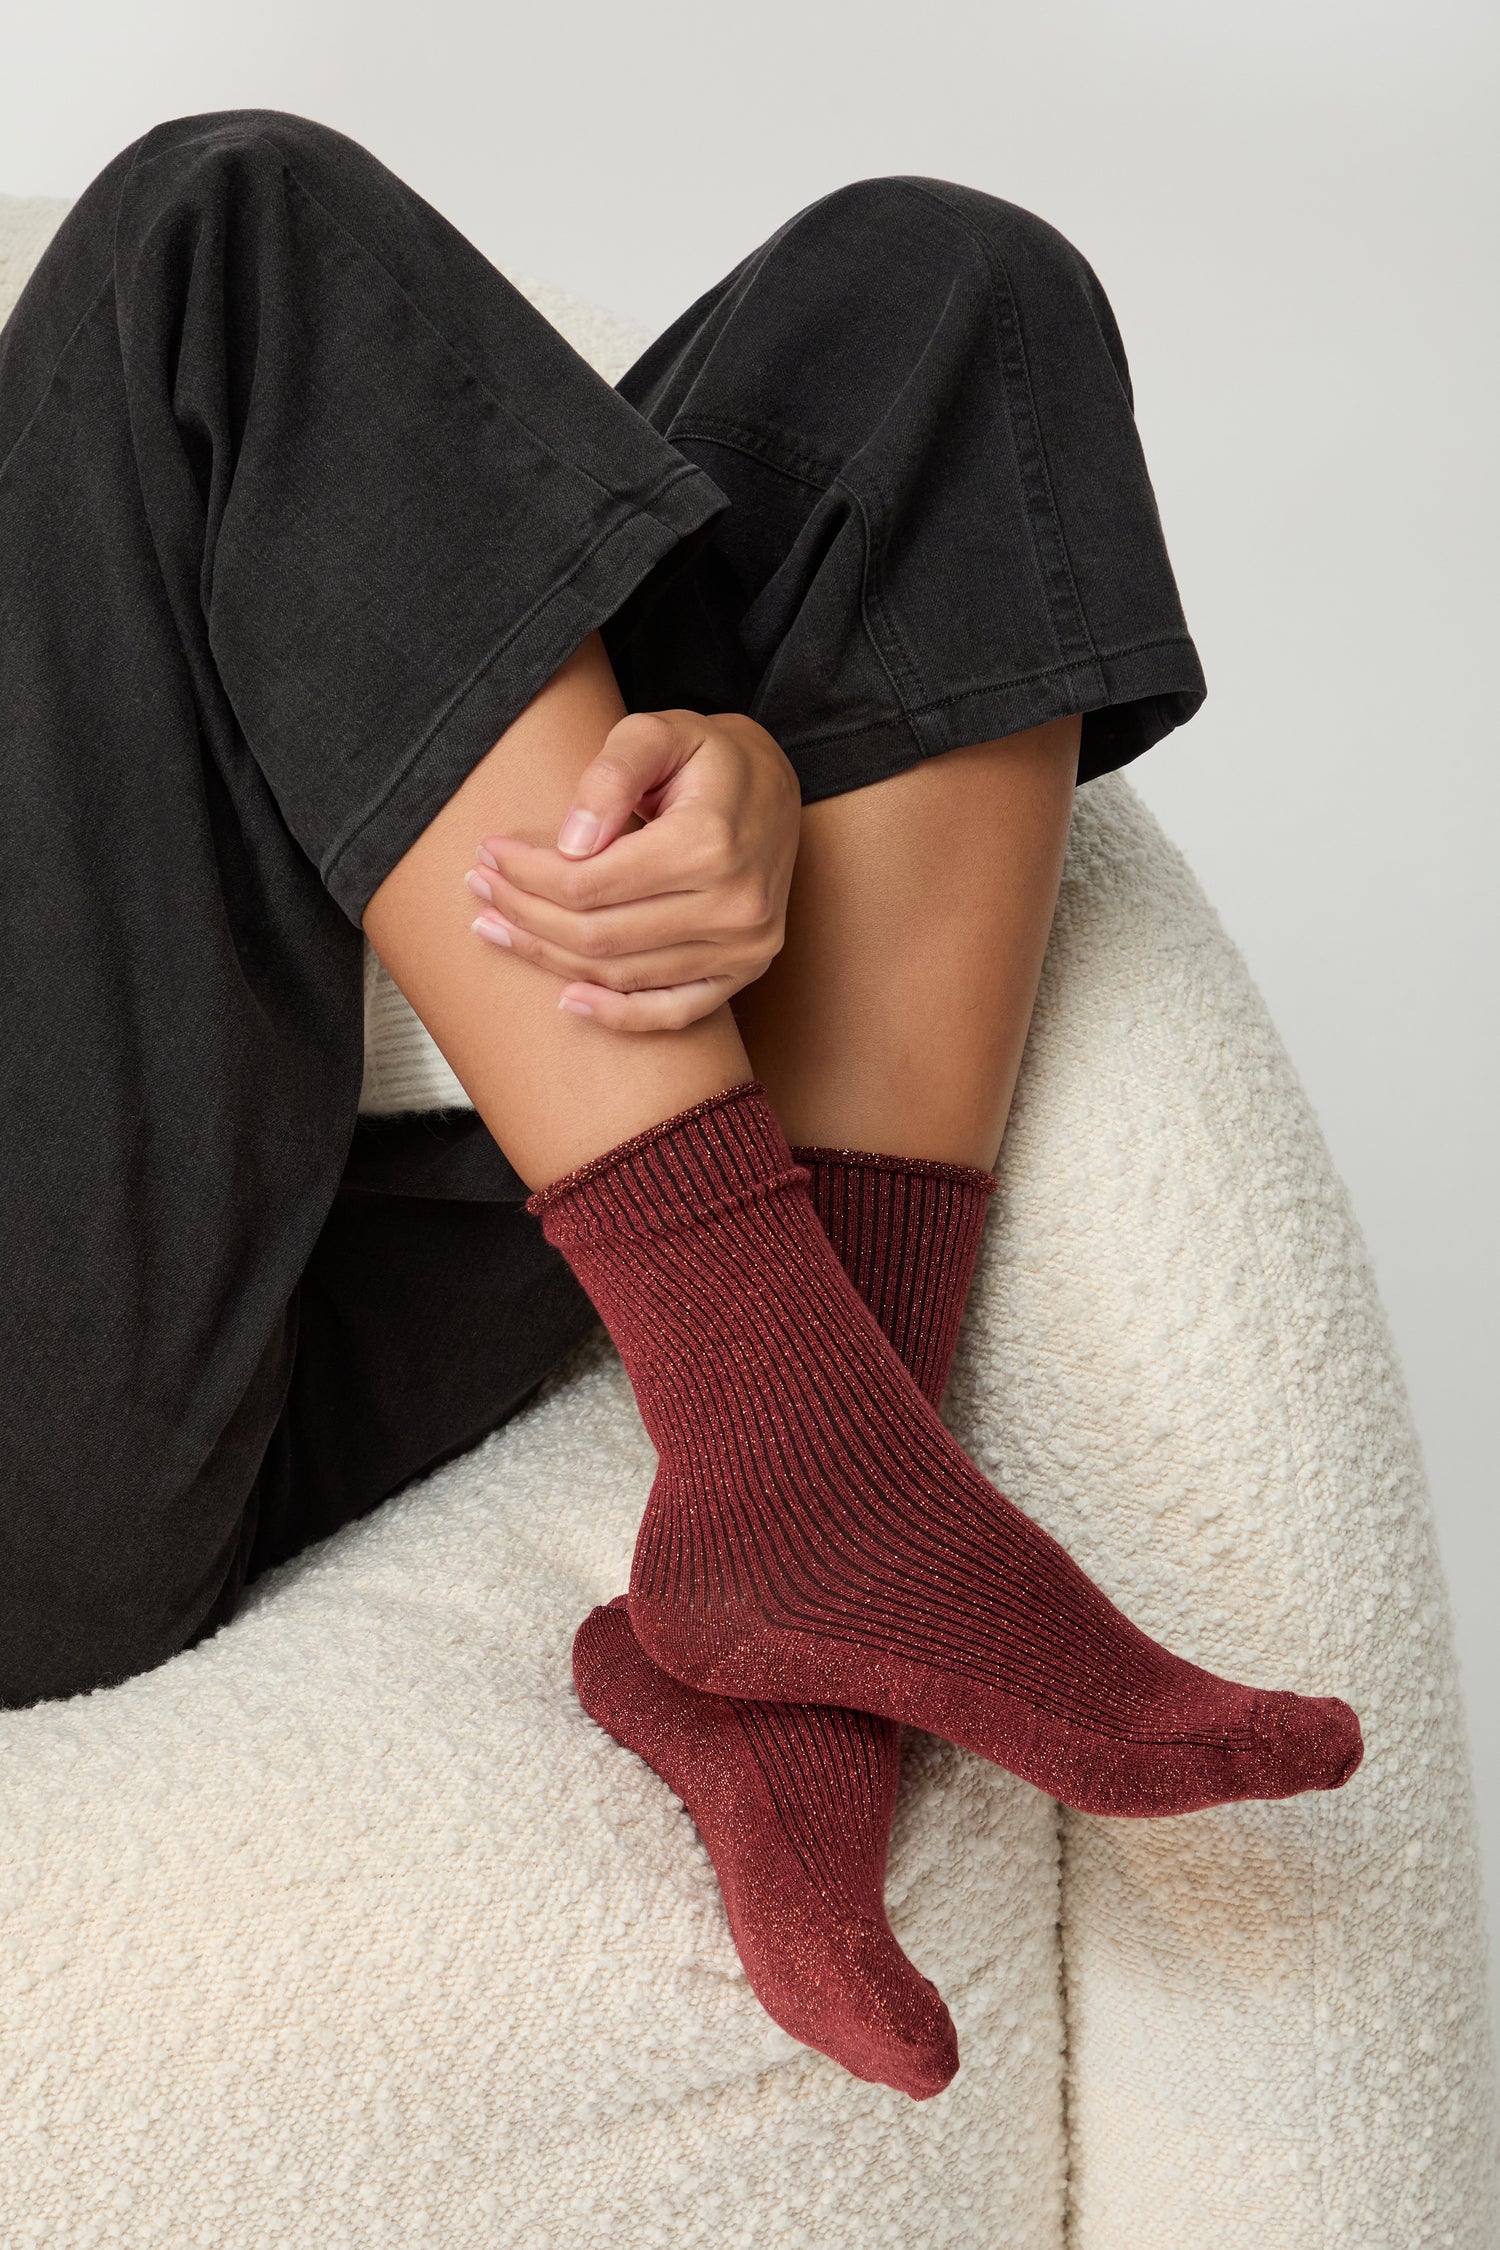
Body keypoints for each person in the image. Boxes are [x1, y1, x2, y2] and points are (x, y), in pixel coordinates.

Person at [0, 111, 1361, 2101]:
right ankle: (808, 1474)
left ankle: (792, 1593)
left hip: (286, 1217)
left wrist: (721, 768)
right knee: (211, 240)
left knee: (947, 307)